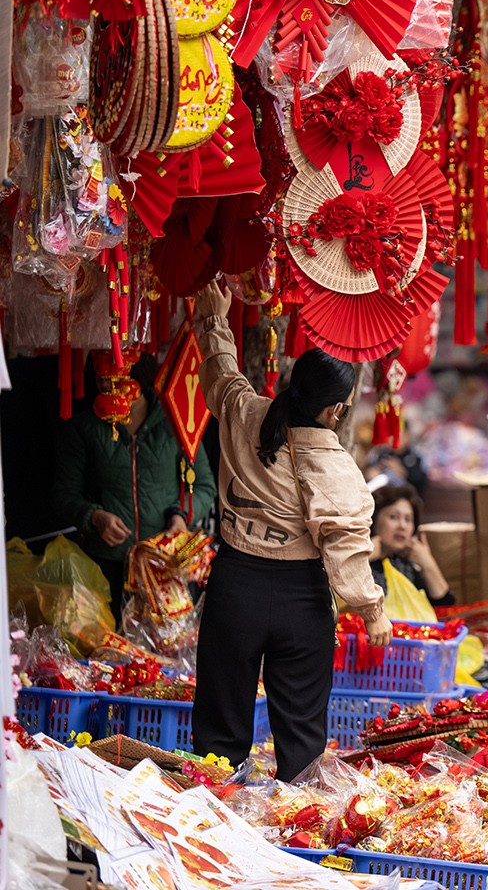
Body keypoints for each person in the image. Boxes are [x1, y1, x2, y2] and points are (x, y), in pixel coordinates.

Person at [190, 281, 392, 779]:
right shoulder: (337, 466)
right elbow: (345, 549)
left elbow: (221, 374)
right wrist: (371, 611)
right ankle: (296, 837)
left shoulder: (245, 413)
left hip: (235, 585)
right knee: (301, 738)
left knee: (220, 725)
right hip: (302, 601)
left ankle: (210, 817)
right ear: (334, 410)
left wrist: (214, 318)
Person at [55, 356, 217, 620]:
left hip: (163, 566)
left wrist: (180, 516)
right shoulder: (84, 428)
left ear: (137, 376)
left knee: (164, 653)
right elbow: (63, 496)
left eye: (114, 377)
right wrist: (94, 516)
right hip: (106, 566)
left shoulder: (174, 419)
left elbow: (205, 486)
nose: (104, 384)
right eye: (99, 376)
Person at [370, 484, 454, 606]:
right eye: (393, 517)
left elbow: (445, 608)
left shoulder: (404, 566)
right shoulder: (363, 562)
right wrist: (363, 557)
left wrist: (427, 563)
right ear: (373, 519)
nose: (402, 526)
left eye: (408, 519)